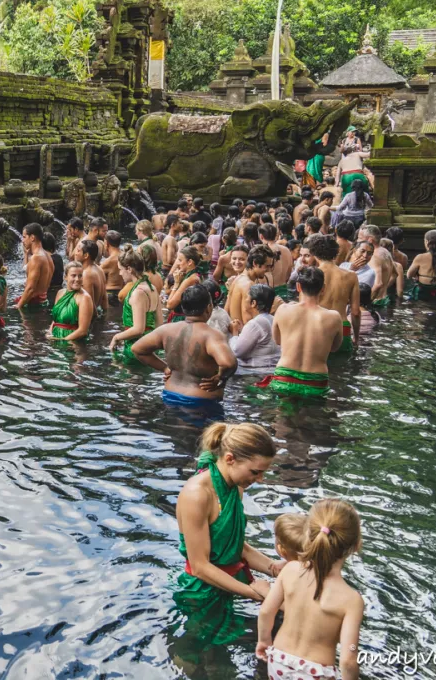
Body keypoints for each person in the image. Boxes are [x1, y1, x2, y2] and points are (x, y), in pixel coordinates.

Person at [173, 422, 283, 646]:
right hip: (201, 594)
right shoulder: (197, 495)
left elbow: (238, 547)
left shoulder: (235, 486)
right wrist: (254, 593)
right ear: (230, 459)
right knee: (200, 656)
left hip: (226, 586)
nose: (260, 479)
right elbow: (200, 566)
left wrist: (274, 568)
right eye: (255, 472)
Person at [257, 499, 364, 680]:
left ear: (308, 535)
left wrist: (264, 640)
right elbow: (348, 659)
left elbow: (267, 611)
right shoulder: (351, 600)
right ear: (356, 546)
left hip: (279, 660)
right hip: (317, 672)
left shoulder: (290, 570)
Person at [132, 285, 236, 413]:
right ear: (209, 308)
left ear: (183, 307)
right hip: (201, 402)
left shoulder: (166, 330)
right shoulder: (212, 335)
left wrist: (164, 368)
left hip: (169, 395)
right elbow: (229, 363)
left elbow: (137, 349)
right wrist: (221, 378)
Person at [255, 266, 342, 398]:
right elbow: (335, 348)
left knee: (282, 417)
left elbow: (278, 341)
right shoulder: (334, 317)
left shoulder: (283, 309)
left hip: (284, 379)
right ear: (323, 288)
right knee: (315, 417)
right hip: (316, 382)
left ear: (298, 287)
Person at [305, 234, 360, 352]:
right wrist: (356, 337)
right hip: (342, 327)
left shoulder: (311, 275)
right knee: (342, 367)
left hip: (318, 326)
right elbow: (355, 312)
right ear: (336, 253)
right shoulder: (351, 276)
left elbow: (304, 307)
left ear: (314, 254)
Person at [110, 249, 158, 364]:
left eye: (121, 269)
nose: (120, 273)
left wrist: (117, 337)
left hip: (136, 348)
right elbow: (159, 324)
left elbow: (138, 329)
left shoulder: (138, 293)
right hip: (151, 348)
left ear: (129, 269)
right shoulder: (152, 288)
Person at [229, 284, 281, 375]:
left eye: (246, 298)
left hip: (254, 373)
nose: (244, 300)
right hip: (272, 370)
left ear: (253, 303)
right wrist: (242, 331)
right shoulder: (273, 319)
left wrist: (234, 333)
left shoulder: (254, 324)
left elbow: (237, 352)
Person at [226, 245, 274, 328]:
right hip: (243, 335)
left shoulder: (238, 279)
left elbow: (226, 310)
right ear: (255, 263)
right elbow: (249, 321)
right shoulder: (248, 285)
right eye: (267, 266)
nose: (269, 270)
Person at [51, 262, 95, 341]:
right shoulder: (60, 293)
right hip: (55, 337)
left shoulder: (85, 298)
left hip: (72, 342)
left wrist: (62, 340)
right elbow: (55, 320)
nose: (77, 279)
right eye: (73, 275)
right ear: (65, 277)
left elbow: (83, 331)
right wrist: (49, 333)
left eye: (80, 276)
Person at [16, 223, 54, 308]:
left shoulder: (36, 258)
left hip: (34, 305)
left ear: (32, 238)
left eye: (24, 237)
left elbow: (30, 289)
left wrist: (19, 306)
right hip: (43, 301)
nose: (23, 240)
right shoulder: (48, 255)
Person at [406, 229, 436, 300]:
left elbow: (409, 275)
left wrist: (416, 275)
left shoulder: (420, 257)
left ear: (427, 242)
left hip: (422, 293)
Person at [164, 246, 203, 323]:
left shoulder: (190, 280)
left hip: (182, 320)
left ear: (189, 262)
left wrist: (176, 283)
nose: (177, 263)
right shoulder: (195, 275)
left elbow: (170, 305)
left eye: (180, 260)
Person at [259, 223, 294, 300]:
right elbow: (289, 271)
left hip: (268, 293)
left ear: (261, 236)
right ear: (276, 235)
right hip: (284, 291)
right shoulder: (286, 250)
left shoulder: (261, 252)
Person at [75, 239, 107, 311]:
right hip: (97, 311)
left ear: (86, 255)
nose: (75, 253)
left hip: (90, 316)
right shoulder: (100, 269)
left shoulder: (87, 274)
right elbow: (104, 299)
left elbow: (89, 305)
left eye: (78, 251)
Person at [102, 230, 125, 303]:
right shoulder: (125, 255)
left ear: (107, 243)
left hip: (111, 295)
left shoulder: (109, 261)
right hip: (124, 292)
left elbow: (97, 274)